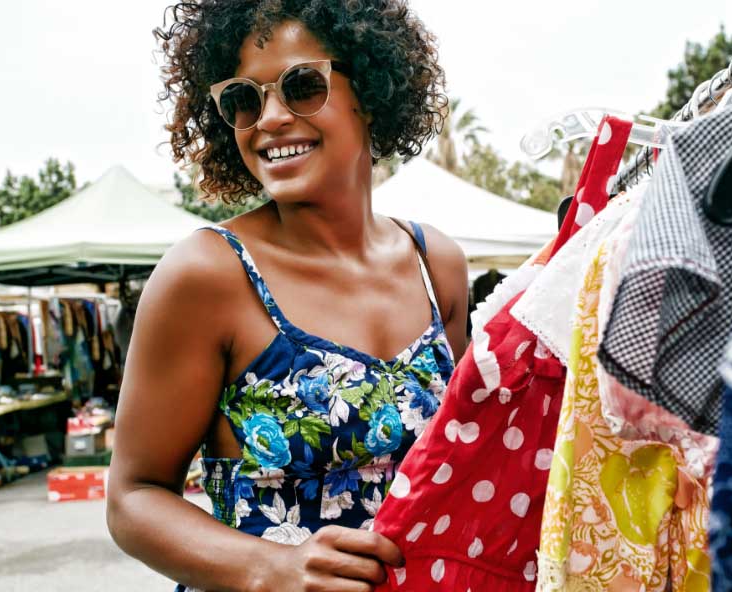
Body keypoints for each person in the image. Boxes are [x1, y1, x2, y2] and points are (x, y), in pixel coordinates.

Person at [106, 2, 468, 590]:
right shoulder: (206, 277)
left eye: (302, 86)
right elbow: (132, 497)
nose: (269, 118)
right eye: (244, 100)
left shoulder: (436, 265)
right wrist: (273, 568)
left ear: (371, 94)